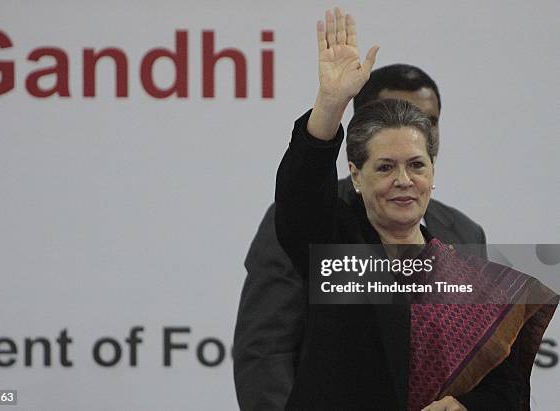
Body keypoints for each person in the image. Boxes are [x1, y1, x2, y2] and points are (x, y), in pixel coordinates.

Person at [272, 7, 557, 410]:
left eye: (416, 165)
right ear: (356, 175)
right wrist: (330, 104)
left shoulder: (466, 267)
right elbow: (299, 199)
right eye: (385, 167)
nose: (403, 180)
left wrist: (463, 407)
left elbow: (506, 392)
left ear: (432, 171)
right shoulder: (335, 246)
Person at [233, 29, 486, 411]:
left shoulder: (463, 233)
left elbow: (485, 364)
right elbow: (266, 349)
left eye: (427, 121)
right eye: (385, 164)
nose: (408, 129)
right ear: (357, 163)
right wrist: (329, 105)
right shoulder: (320, 222)